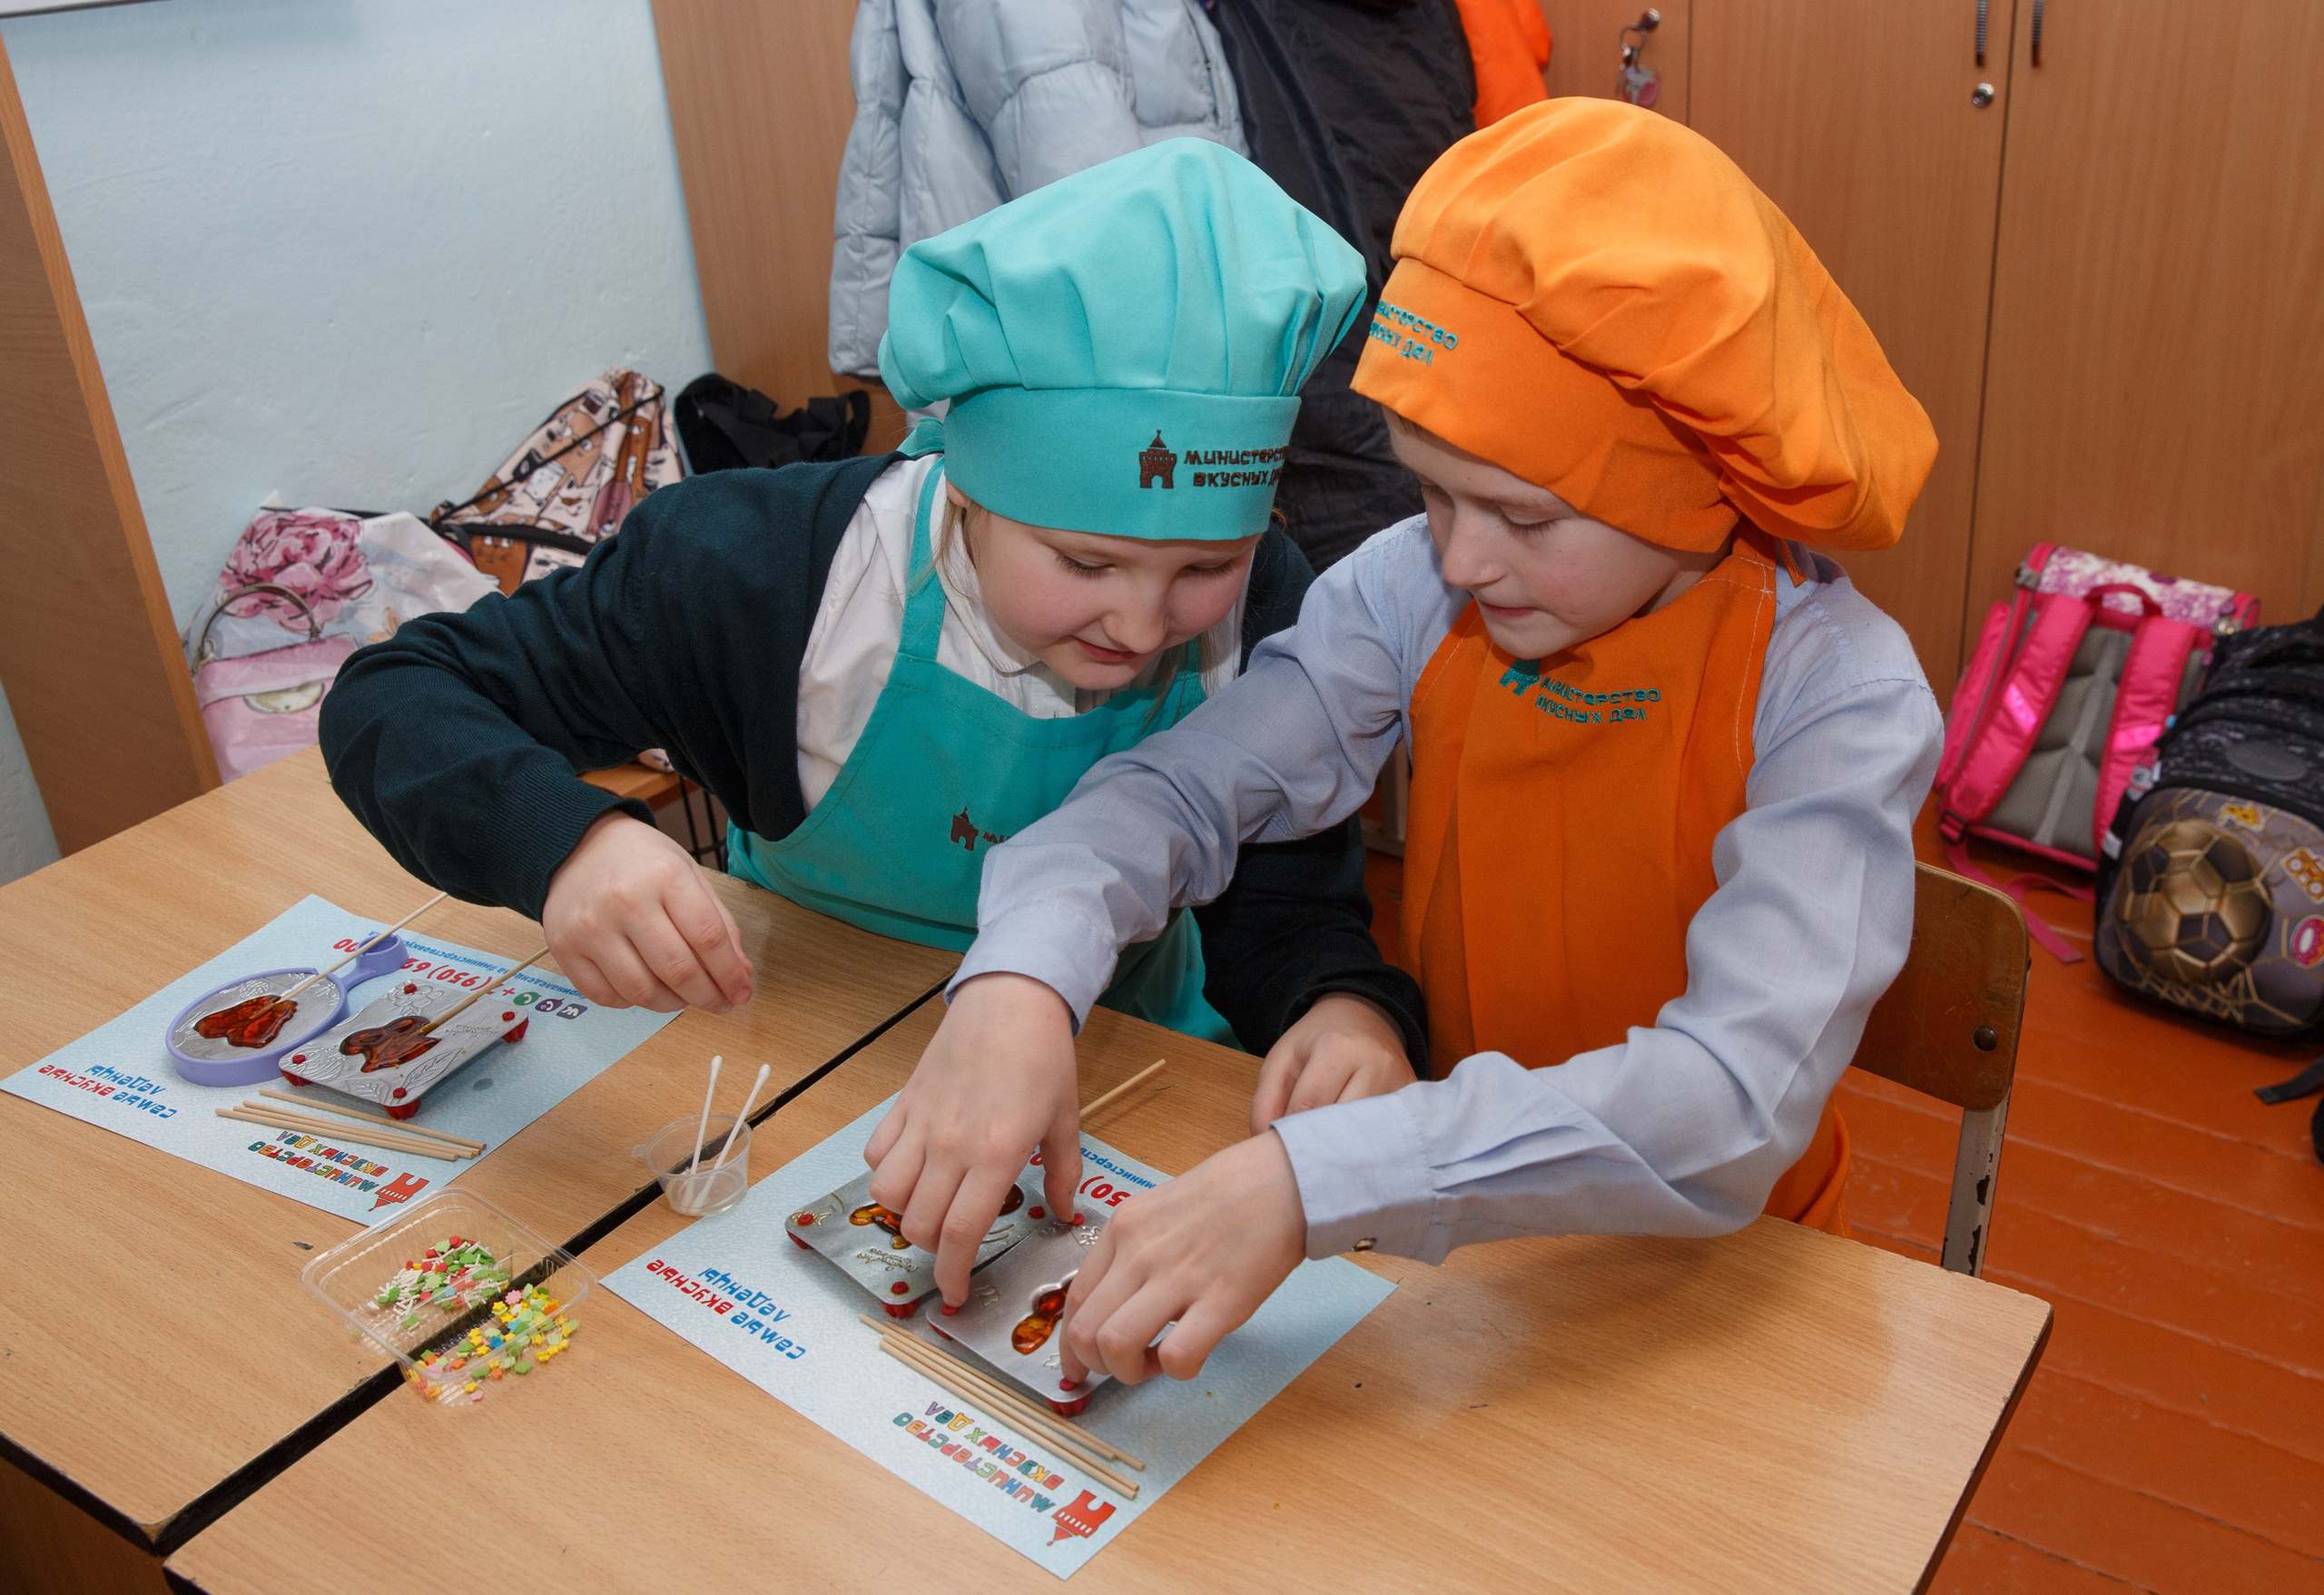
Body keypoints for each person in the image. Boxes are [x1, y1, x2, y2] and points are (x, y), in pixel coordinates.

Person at [866, 101, 1944, 1380]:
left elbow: (1731, 1102)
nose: (1458, 552)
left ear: (1689, 477)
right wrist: (1024, 976)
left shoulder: (1836, 692)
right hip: (1455, 1231)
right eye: (1430, 490)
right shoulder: (1416, 590)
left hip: (1729, 1267)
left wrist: (1319, 1180)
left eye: (1522, 516)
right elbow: (1178, 792)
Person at [319, 140, 1426, 1141]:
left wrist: (1339, 1009)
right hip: (776, 1051)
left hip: (1111, 1067)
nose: (1141, 628)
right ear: (968, 486)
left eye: (1202, 569)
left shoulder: (1272, 603)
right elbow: (394, 692)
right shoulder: (747, 573)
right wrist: (564, 843)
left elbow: (1288, 905)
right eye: (1084, 564)